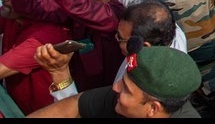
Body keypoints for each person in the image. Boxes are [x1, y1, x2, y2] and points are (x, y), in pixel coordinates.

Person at [27, 46, 202, 118]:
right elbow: (75, 105)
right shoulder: (124, 98)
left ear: (153, 108)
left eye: (125, 88)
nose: (115, 87)